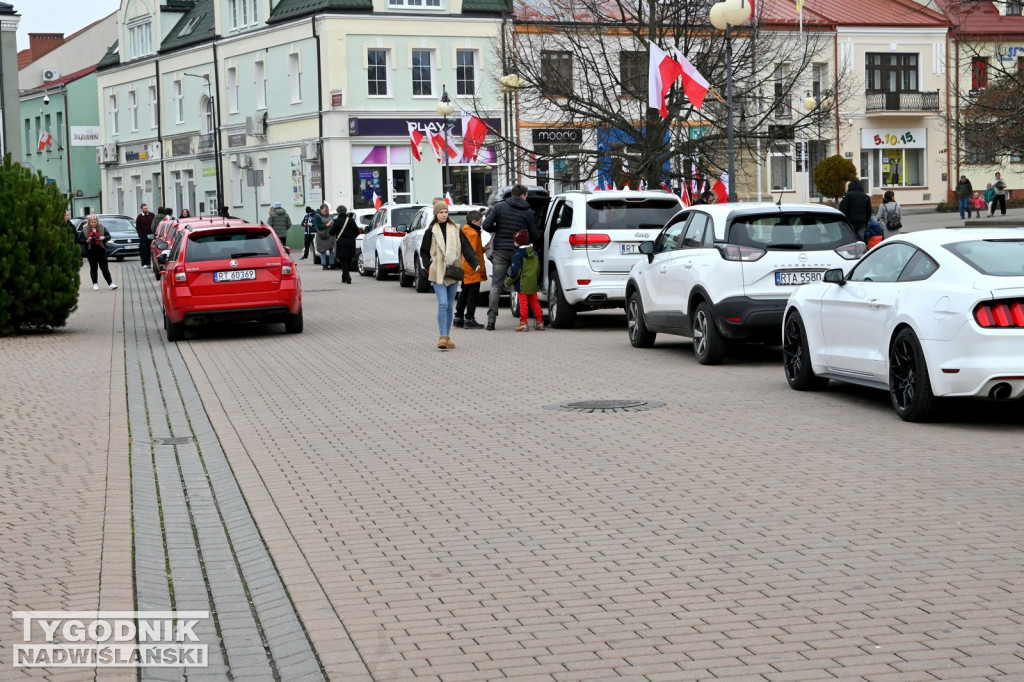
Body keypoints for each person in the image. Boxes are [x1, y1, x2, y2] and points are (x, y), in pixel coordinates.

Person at [419, 199, 483, 349]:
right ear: (436, 214)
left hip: (454, 270)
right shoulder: (430, 231)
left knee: (449, 306)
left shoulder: (455, 229)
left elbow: (467, 248)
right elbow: (423, 251)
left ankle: (447, 337)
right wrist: (429, 266)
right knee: (443, 304)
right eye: (441, 212)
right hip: (437, 271)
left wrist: (476, 263)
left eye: (446, 212)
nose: (444, 214)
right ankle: (442, 336)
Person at [482, 184, 537, 330]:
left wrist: (498, 229)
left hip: (500, 251)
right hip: (519, 252)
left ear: (512, 194)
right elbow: (535, 234)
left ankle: (491, 321)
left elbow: (486, 226)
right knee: (521, 285)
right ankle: (525, 320)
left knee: (496, 285)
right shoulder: (527, 211)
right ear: (523, 195)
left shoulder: (499, 207)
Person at [505, 229, 544, 332]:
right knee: (535, 302)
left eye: (515, 240)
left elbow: (515, 273)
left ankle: (523, 323)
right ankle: (539, 321)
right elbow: (538, 269)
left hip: (522, 284)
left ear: (518, 242)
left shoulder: (518, 255)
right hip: (533, 282)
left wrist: (508, 282)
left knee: (523, 303)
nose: (514, 242)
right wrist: (536, 280)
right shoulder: (535, 253)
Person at [453, 210, 487, 329]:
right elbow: (470, 252)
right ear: (474, 221)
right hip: (472, 268)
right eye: (480, 222)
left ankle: (458, 317)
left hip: (466, 267)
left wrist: (482, 249)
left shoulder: (465, 231)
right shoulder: (473, 234)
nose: (481, 224)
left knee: (464, 292)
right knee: (472, 294)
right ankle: (469, 318)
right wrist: (476, 265)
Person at [78, 214, 117, 291]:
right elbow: (81, 240)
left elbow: (108, 236)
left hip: (101, 250)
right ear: (89, 222)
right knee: (93, 268)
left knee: (104, 268)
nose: (93, 224)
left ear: (97, 222)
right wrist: (87, 240)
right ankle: (95, 284)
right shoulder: (85, 229)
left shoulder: (102, 227)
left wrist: (104, 237)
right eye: (92, 222)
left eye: (95, 222)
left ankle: (110, 283)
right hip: (91, 251)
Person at [334, 205, 359, 283]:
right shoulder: (351, 220)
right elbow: (357, 231)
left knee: (343, 261)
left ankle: (347, 277)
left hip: (341, 243)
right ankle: (344, 277)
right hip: (351, 243)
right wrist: (352, 237)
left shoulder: (336, 221)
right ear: (346, 211)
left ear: (338, 212)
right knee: (348, 260)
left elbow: (331, 232)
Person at [313, 203, 335, 270]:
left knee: (332, 250)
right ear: (321, 210)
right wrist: (326, 225)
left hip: (330, 235)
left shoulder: (330, 216)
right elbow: (318, 226)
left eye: (327, 210)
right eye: (325, 210)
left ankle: (332, 264)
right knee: (323, 251)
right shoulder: (318, 217)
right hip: (322, 236)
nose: (326, 212)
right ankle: (324, 265)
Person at [135, 203, 155, 268]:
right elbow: (138, 227)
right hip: (143, 236)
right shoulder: (139, 217)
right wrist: (141, 234)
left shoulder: (151, 215)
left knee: (150, 250)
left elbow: (154, 224)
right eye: (145, 208)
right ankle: (144, 263)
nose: (146, 209)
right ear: (141, 209)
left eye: (147, 208)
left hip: (151, 235)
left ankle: (149, 263)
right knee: (144, 250)